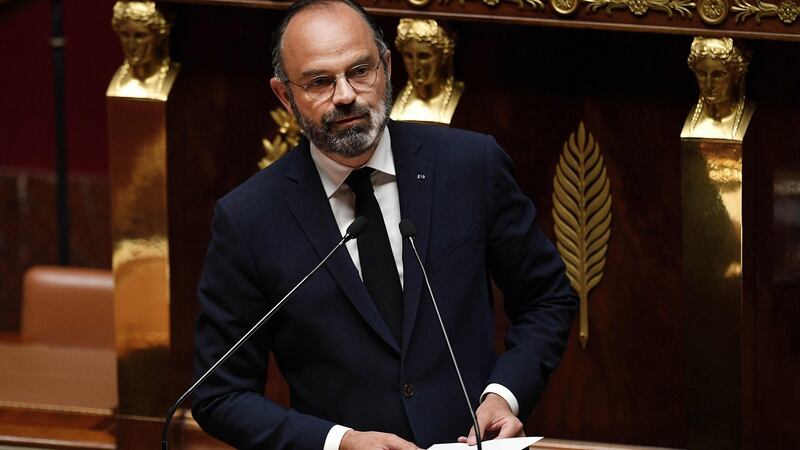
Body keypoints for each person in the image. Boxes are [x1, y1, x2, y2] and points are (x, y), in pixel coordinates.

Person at [192, 1, 577, 449]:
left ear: (387, 67)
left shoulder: (470, 167)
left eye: (360, 71)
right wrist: (338, 442)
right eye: (320, 81)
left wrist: (504, 395)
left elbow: (547, 298)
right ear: (284, 95)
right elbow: (219, 394)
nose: (345, 95)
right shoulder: (250, 219)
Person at [390, 18, 465, 124]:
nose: (416, 65)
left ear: (444, 56)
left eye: (424, 56)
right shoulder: (393, 95)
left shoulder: (464, 100)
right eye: (408, 56)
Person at [681, 36, 754, 141]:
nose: (709, 85)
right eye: (702, 74)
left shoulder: (749, 114)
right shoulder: (690, 121)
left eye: (718, 75)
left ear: (737, 75)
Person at [108, 1, 178, 100]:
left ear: (159, 37)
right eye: (125, 35)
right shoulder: (118, 83)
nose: (131, 45)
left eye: (140, 36)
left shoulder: (173, 76)